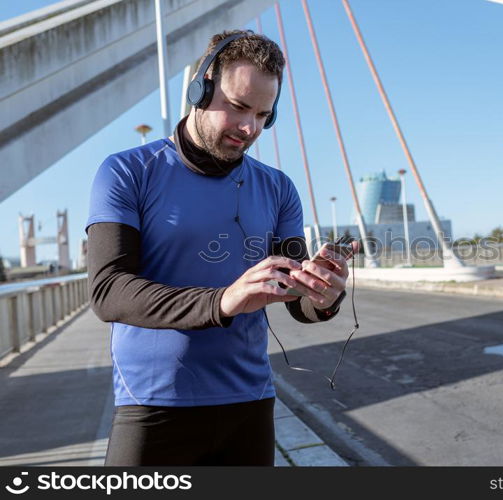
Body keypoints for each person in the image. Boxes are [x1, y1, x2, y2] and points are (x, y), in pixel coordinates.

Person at [85, 30, 358, 466]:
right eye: (238, 107)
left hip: (248, 404)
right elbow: (109, 291)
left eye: (263, 114)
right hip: (152, 405)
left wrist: (323, 296)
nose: (249, 128)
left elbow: (294, 298)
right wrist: (224, 301)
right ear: (201, 87)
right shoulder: (126, 172)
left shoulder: (279, 188)